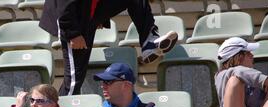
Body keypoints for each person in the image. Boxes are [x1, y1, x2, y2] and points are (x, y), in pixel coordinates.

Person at [39, 0, 178, 95]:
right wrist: (72, 34)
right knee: (75, 79)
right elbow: (64, 5)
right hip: (73, 18)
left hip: (88, 11)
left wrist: (100, 16)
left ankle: (149, 42)